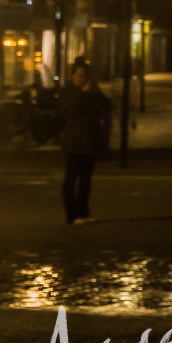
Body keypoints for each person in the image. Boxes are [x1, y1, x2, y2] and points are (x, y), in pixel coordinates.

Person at [59, 63, 110, 225]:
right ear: (73, 76)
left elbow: (107, 107)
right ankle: (72, 215)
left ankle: (83, 212)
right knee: (71, 177)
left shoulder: (90, 92)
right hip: (74, 141)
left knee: (86, 179)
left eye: (85, 76)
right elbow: (70, 109)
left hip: (90, 140)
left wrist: (98, 93)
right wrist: (83, 93)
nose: (83, 79)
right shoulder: (68, 91)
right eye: (80, 75)